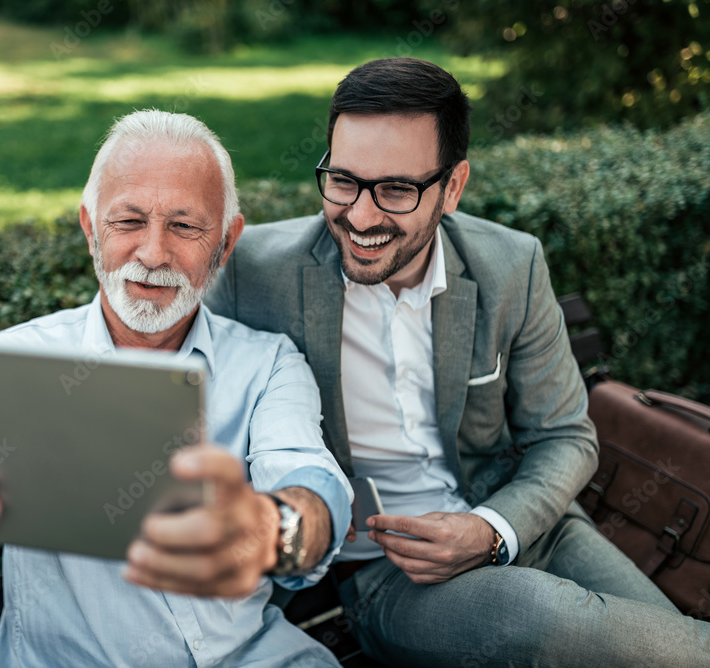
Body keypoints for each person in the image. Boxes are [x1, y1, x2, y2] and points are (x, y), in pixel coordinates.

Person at [204, 57, 710, 666]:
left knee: (669, 643)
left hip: (529, 525)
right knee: (550, 622)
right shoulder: (255, 271)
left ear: (453, 187)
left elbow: (566, 434)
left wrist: (493, 528)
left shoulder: (511, 265)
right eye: (342, 180)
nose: (361, 217)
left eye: (396, 189)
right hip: (389, 575)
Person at [0, 109, 353, 667]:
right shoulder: (12, 368)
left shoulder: (268, 364)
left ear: (226, 242)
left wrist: (274, 528)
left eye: (186, 227)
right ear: (91, 227)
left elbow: (309, 479)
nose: (154, 254)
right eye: (128, 221)